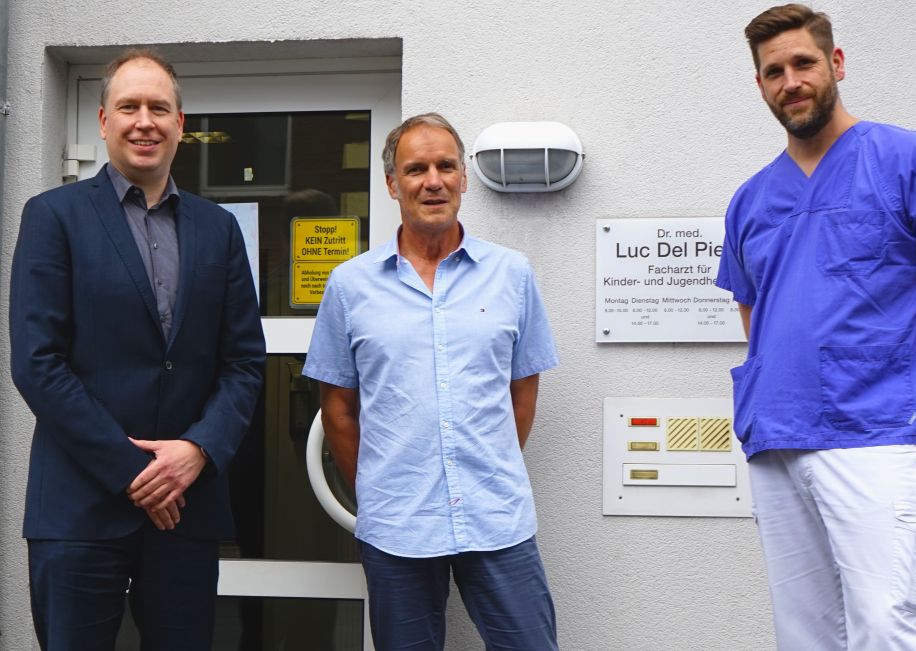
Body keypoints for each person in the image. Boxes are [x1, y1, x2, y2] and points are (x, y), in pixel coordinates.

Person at [716, 5, 916, 649]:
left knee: (883, 628)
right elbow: (756, 320)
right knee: (805, 636)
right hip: (779, 439)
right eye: (773, 71)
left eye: (804, 63)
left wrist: (910, 394)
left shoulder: (906, 158)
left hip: (877, 436)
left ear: (835, 64)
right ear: (760, 85)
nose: (791, 81)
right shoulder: (751, 200)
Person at [9, 49, 265, 650]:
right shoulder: (53, 217)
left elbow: (244, 362)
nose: (144, 120)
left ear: (182, 124)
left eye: (159, 108)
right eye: (129, 106)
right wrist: (136, 473)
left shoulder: (217, 229)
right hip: (78, 508)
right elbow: (38, 363)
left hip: (188, 509)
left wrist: (197, 451)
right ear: (103, 121)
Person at [303, 113, 560, 650]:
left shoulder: (511, 274)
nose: (433, 180)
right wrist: (376, 489)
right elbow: (339, 409)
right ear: (393, 184)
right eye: (416, 169)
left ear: (464, 177)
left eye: (446, 166)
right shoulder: (350, 286)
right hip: (397, 525)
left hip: (496, 517)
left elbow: (522, 393)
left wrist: (485, 465)